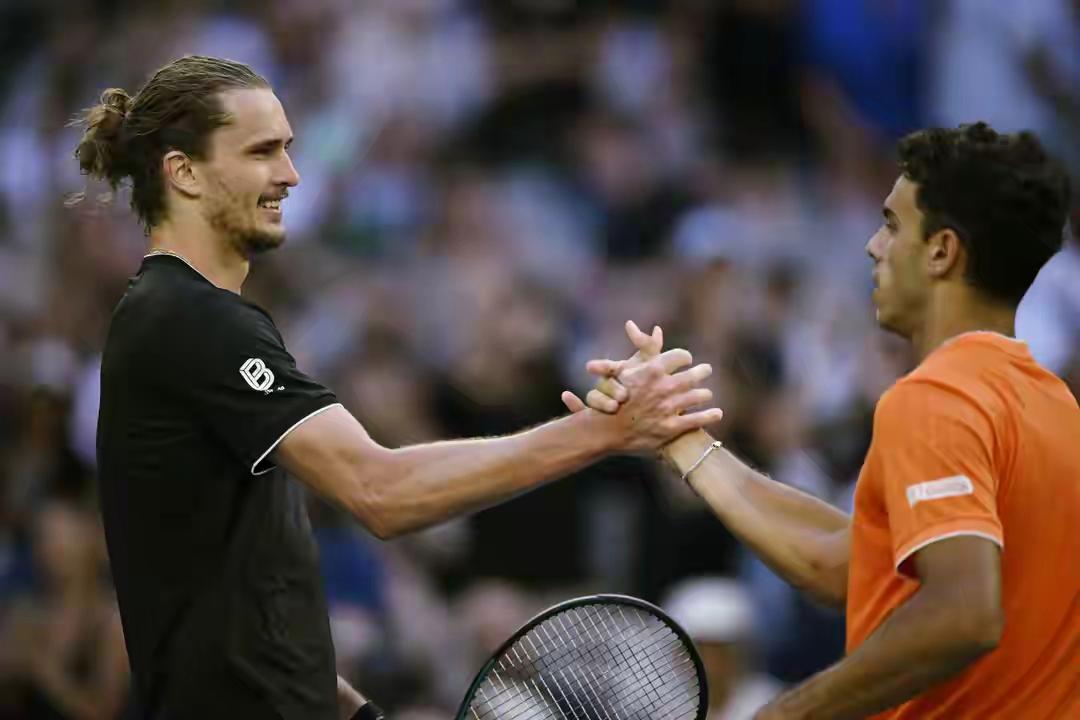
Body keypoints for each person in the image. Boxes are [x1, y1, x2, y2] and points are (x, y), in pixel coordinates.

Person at [74, 56, 723, 720]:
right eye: (261, 152)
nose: (290, 175)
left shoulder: (180, 317)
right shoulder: (192, 319)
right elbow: (380, 492)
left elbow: (236, 594)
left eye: (287, 150)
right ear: (183, 173)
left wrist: (357, 714)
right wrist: (602, 431)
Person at [569, 123, 1079, 718]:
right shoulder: (1057, 406)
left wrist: (790, 711)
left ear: (941, 251)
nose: (873, 246)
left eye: (892, 225)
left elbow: (964, 613)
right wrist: (680, 438)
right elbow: (842, 564)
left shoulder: (937, 397)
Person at [663, 577, 782, 719]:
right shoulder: (661, 708)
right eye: (700, 651)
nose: (710, 664)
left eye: (721, 652)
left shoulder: (770, 701)